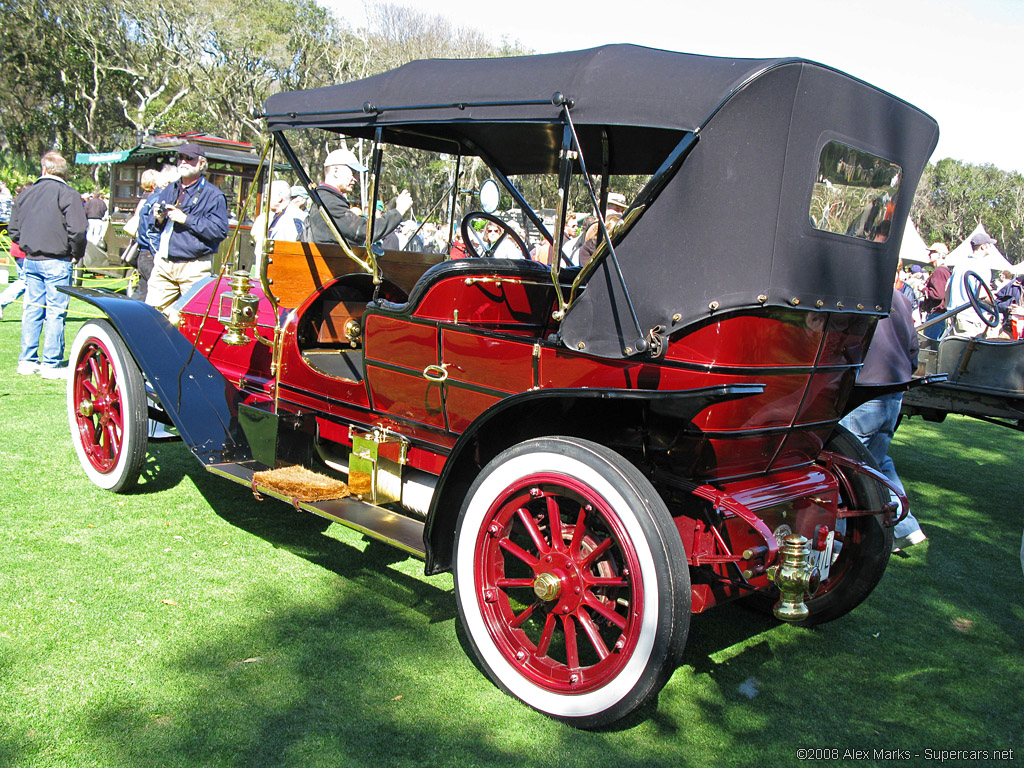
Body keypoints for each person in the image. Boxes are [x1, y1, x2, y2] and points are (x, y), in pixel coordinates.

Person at [840, 288, 926, 550]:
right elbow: (913, 347)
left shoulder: (855, 287)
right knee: (877, 461)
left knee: (843, 465)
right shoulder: (899, 296)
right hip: (893, 389)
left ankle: (837, 542)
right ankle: (905, 527)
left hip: (864, 390)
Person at [8, 150, 87, 378]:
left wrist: (26, 244)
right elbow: (78, 230)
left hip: (31, 259)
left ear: (44, 169)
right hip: (57, 259)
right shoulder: (68, 194)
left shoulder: (26, 194)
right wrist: (76, 253)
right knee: (54, 311)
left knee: (32, 309)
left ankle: (27, 359)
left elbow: (13, 229)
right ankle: (50, 363)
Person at [146, 143, 228, 315]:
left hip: (195, 266)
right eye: (180, 158)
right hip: (164, 264)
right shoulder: (170, 188)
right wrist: (159, 219)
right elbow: (154, 225)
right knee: (150, 315)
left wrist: (186, 219)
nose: (183, 162)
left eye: (189, 158)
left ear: (201, 164)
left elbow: (220, 231)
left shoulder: (213, 195)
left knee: (192, 320)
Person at [302, 148, 411, 246]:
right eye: (353, 173)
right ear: (336, 171)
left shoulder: (325, 198)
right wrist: (398, 211)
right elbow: (364, 232)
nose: (356, 179)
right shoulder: (328, 201)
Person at [130, 167, 171, 303]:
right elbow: (151, 231)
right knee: (154, 295)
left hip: (144, 252)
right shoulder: (158, 200)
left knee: (141, 295)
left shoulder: (151, 198)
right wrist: (158, 255)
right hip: (149, 253)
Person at [946, 231, 996, 337]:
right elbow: (982, 295)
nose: (991, 248)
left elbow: (948, 289)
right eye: (990, 245)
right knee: (972, 352)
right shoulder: (982, 266)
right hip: (971, 318)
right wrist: (996, 302)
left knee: (955, 350)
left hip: (954, 315)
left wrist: (949, 310)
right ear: (983, 246)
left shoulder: (959, 265)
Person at [250, 179, 297, 274]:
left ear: (279, 197)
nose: (265, 199)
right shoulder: (265, 217)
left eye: (267, 196)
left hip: (281, 272)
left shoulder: (295, 217)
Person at [919, 242, 951, 340]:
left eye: (932, 252)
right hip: (940, 315)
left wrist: (923, 289)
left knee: (929, 348)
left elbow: (939, 294)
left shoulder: (939, 271)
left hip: (937, 315)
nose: (929, 255)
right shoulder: (944, 270)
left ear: (940, 255)